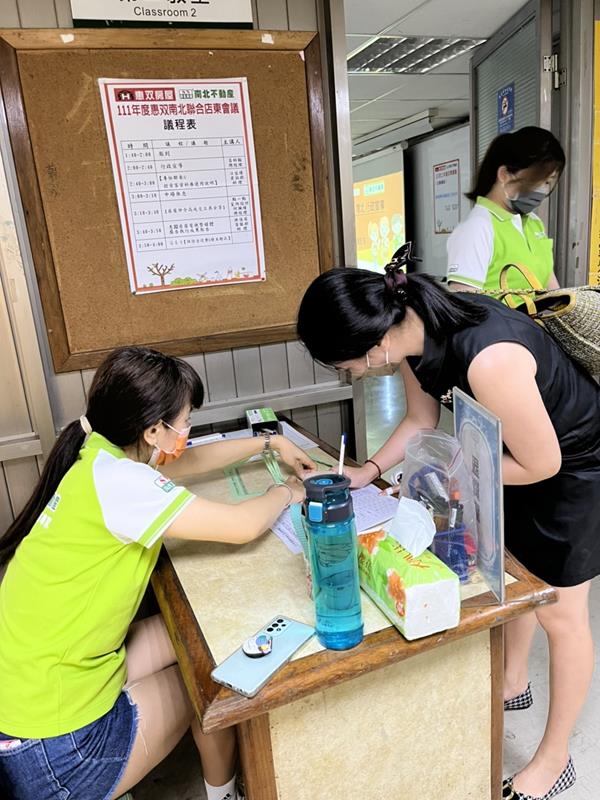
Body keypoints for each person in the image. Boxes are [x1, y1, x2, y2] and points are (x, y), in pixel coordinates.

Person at [297, 263, 600, 800]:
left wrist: (453, 472)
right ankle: (513, 682)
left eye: (344, 366)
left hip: (574, 467)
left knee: (562, 614)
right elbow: (421, 421)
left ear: (372, 348)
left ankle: (555, 761)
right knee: (513, 569)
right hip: (505, 454)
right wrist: (369, 471)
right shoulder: (410, 330)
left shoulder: (490, 358)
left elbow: (543, 463)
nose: (348, 375)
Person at [0, 346, 313, 800]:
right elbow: (242, 526)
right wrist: (287, 492)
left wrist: (271, 443)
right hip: (55, 750)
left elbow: (188, 462)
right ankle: (225, 795)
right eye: (186, 421)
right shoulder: (124, 484)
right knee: (208, 681)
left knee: (194, 638)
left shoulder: (100, 455)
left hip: (31, 693)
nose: (189, 431)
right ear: (153, 430)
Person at [447, 126, 565, 292]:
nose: (542, 190)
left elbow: (552, 289)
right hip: (498, 311)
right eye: (536, 181)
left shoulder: (534, 222)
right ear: (504, 174)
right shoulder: (477, 228)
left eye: (548, 182)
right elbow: (464, 300)